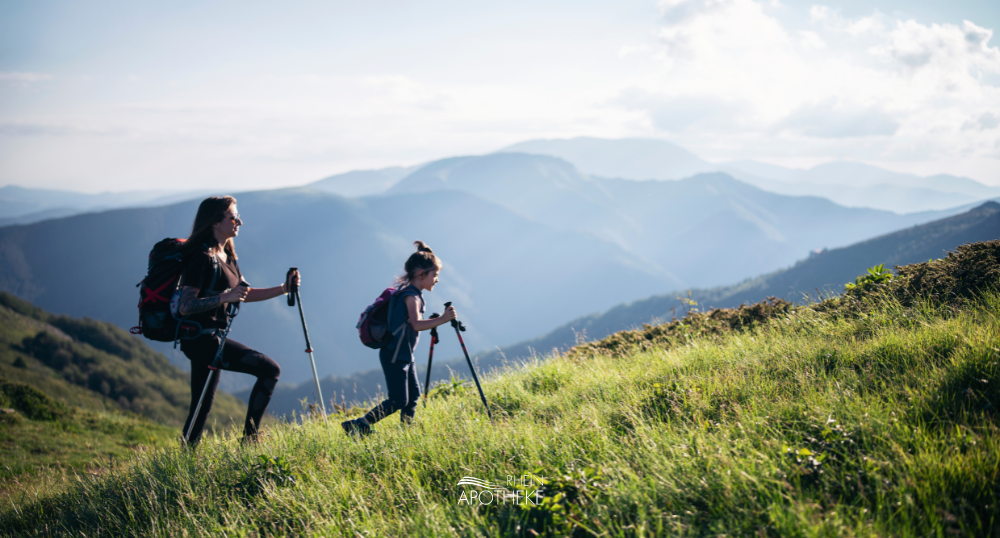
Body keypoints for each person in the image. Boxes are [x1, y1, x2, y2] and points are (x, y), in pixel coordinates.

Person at [176, 195, 300, 447]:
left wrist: (283, 288)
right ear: (214, 221)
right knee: (270, 370)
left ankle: (185, 458)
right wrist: (225, 296)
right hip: (200, 338)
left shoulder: (227, 255)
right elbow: (185, 305)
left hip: (211, 338)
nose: (239, 221)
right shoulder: (201, 257)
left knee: (202, 405)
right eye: (233, 217)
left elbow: (244, 293)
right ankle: (249, 442)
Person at [342, 241, 456, 436]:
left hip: (403, 353)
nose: (436, 280)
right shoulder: (411, 296)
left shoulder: (414, 294)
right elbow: (416, 324)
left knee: (412, 397)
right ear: (421, 274)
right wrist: (443, 320)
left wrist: (436, 320)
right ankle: (360, 424)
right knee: (398, 399)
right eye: (434, 275)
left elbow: (412, 322)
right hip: (395, 354)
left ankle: (406, 433)